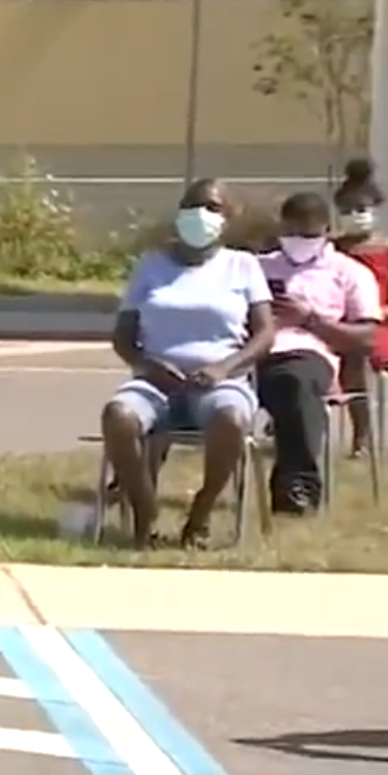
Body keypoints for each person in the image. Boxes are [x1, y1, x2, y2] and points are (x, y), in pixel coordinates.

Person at [102, 179, 275, 547]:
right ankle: (143, 507)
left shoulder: (241, 266)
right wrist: (148, 366)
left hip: (218, 382)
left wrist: (223, 369)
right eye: (194, 206)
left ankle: (202, 510)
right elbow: (122, 337)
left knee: (230, 418)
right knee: (118, 416)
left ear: (230, 217)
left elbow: (264, 335)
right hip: (156, 382)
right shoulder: (151, 264)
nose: (201, 215)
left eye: (213, 208)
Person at [256, 191, 381, 514]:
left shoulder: (350, 273)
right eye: (294, 232)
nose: (301, 240)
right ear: (282, 227)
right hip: (247, 352)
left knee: (294, 385)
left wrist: (310, 319)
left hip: (305, 355)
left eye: (309, 234)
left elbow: (366, 338)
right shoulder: (256, 267)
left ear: (327, 229)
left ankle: (297, 488)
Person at [332, 157, 388, 455]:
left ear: (374, 208)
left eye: (361, 209)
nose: (354, 216)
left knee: (355, 351)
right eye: (347, 210)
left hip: (379, 328)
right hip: (329, 324)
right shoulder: (328, 250)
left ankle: (361, 435)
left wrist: (371, 313)